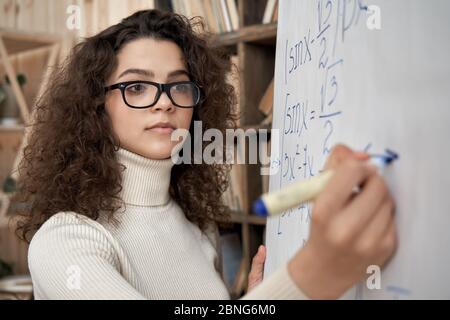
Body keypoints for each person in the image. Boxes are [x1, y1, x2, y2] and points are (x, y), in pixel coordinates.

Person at [14, 9, 396, 299]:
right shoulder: (65, 241)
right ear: (97, 104)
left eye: (179, 87)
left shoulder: (198, 226)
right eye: (137, 87)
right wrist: (309, 274)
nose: (164, 104)